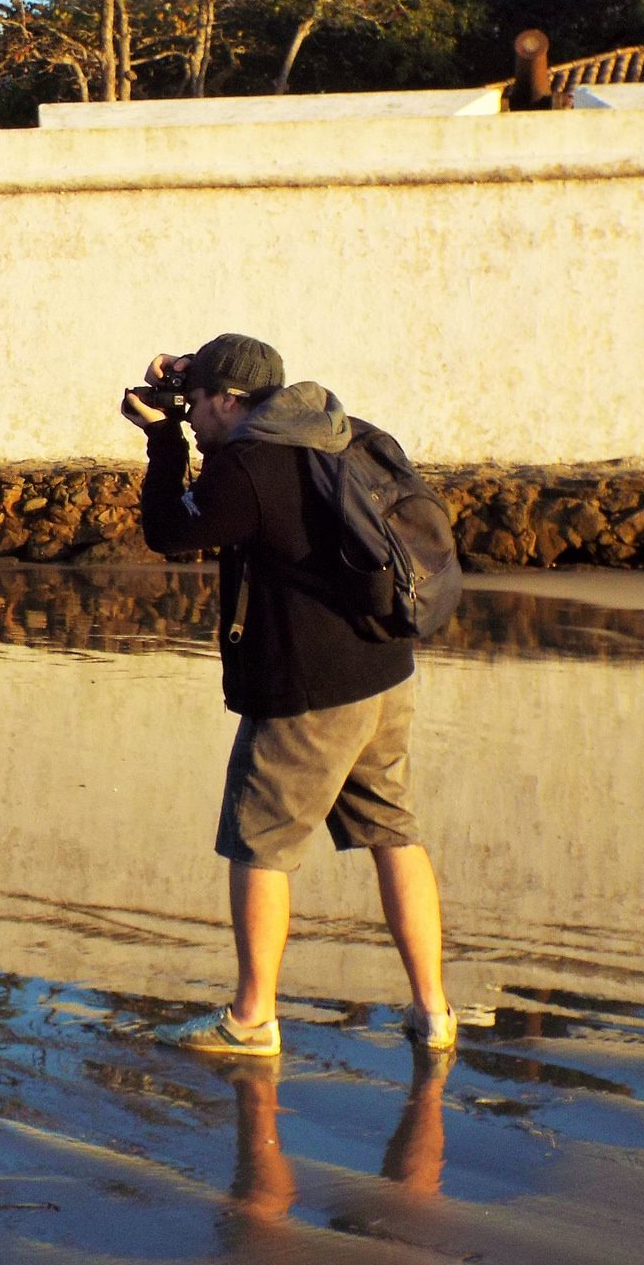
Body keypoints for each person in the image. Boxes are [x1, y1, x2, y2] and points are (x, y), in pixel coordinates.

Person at [121, 333, 455, 1057]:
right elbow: (232, 413)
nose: (194, 415)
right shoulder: (330, 430)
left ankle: (251, 1018)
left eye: (200, 403)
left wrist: (162, 441)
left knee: (260, 845)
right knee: (394, 833)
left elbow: (169, 530)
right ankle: (433, 1012)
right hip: (385, 672)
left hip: (307, 692)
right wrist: (188, 376)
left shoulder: (249, 467)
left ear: (230, 401)